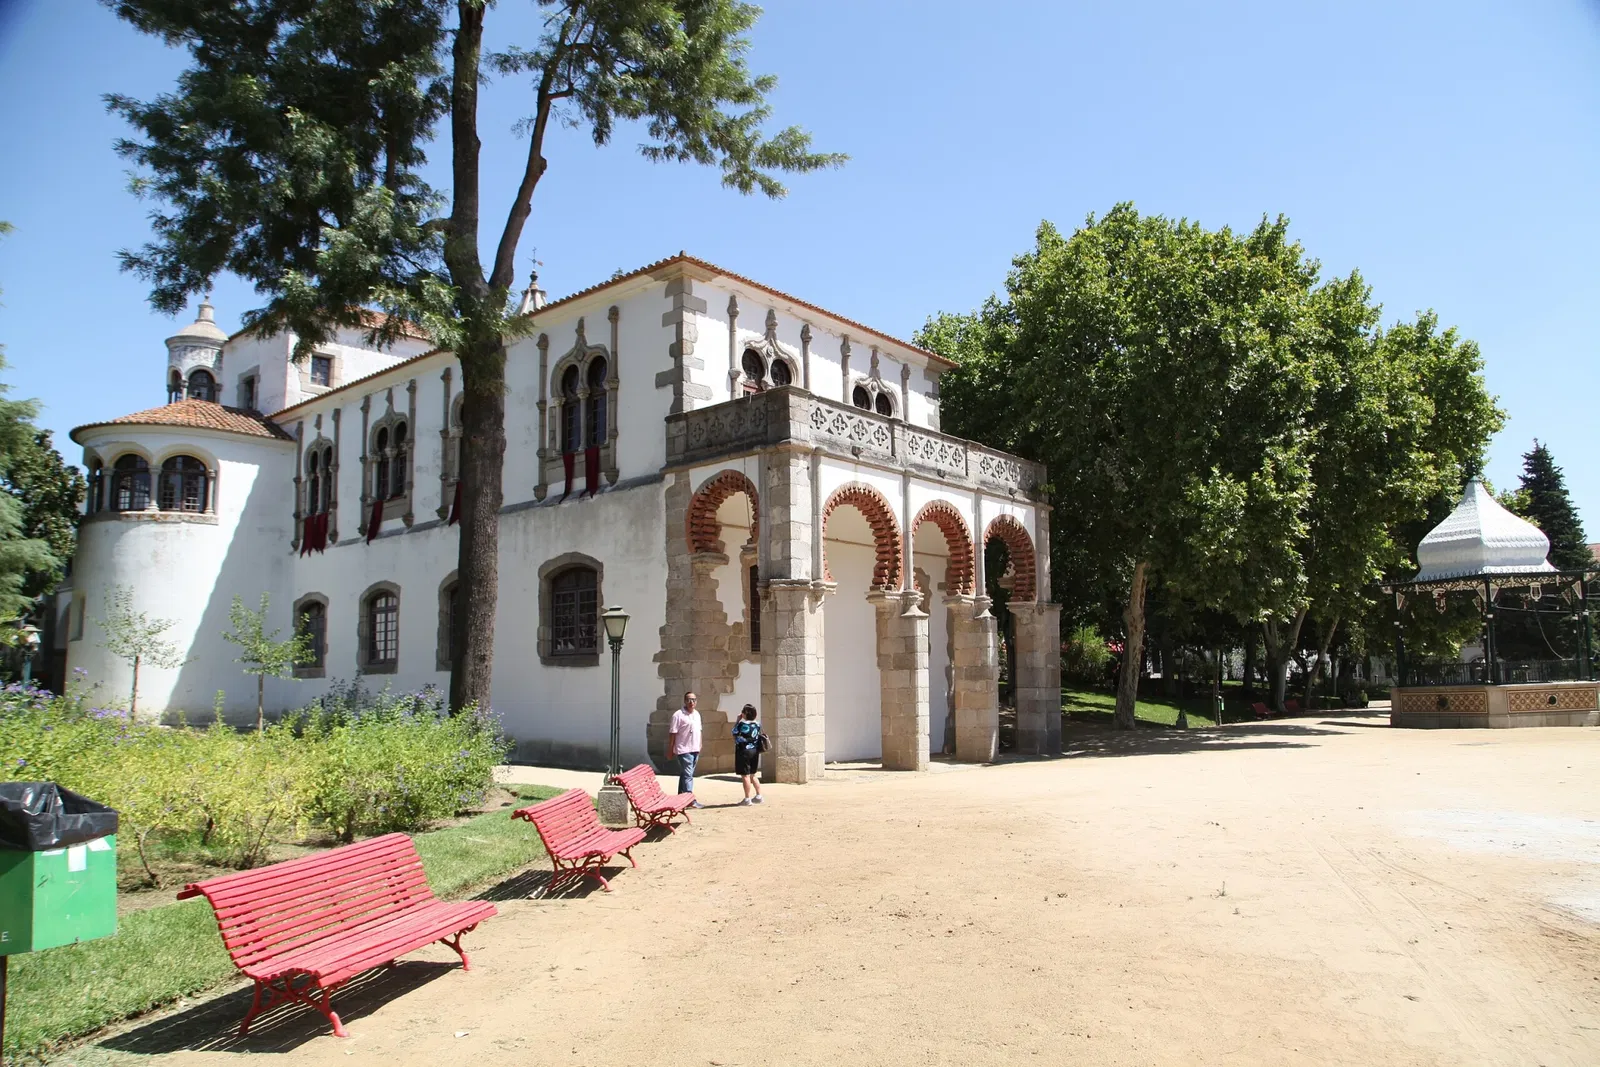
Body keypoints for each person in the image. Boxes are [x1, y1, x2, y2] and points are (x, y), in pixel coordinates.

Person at [667, 691, 703, 808]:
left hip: (695, 748)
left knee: (685, 774)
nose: (691, 702)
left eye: (693, 700)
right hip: (683, 749)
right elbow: (673, 733)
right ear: (684, 701)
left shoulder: (697, 714)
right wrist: (671, 749)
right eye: (689, 700)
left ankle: (681, 797)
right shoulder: (678, 715)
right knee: (688, 775)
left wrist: (700, 743)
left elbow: (700, 730)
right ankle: (689, 799)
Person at [731, 703, 764, 806]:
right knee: (752, 774)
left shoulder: (742, 724)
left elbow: (734, 732)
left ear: (745, 713)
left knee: (745, 775)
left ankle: (747, 798)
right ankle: (759, 796)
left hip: (743, 751)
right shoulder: (757, 724)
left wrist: (737, 720)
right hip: (754, 751)